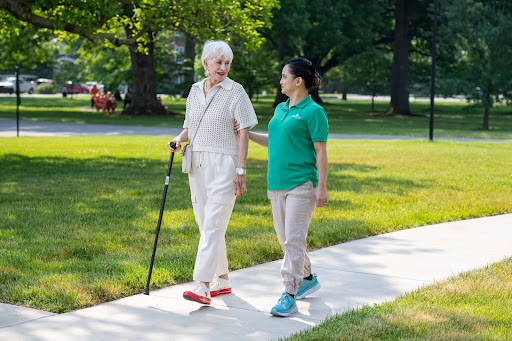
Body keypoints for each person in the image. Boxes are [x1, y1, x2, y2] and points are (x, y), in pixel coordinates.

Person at [167, 40, 258, 305]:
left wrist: (240, 169)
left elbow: (244, 131)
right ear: (206, 63)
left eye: (227, 63)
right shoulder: (194, 90)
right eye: (218, 62)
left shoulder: (236, 91)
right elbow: (189, 127)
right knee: (206, 223)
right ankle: (223, 279)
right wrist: (178, 139)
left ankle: (202, 285)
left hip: (225, 164)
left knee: (214, 223)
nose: (223, 68)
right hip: (196, 162)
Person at [236, 57, 328, 317]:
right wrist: (246, 133)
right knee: (285, 240)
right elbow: (273, 139)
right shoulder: (280, 109)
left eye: (284, 77)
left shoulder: (314, 112)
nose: (281, 81)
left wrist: (321, 187)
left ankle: (289, 293)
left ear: (298, 81)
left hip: (301, 183)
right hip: (275, 183)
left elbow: (321, 151)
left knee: (293, 239)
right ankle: (308, 277)